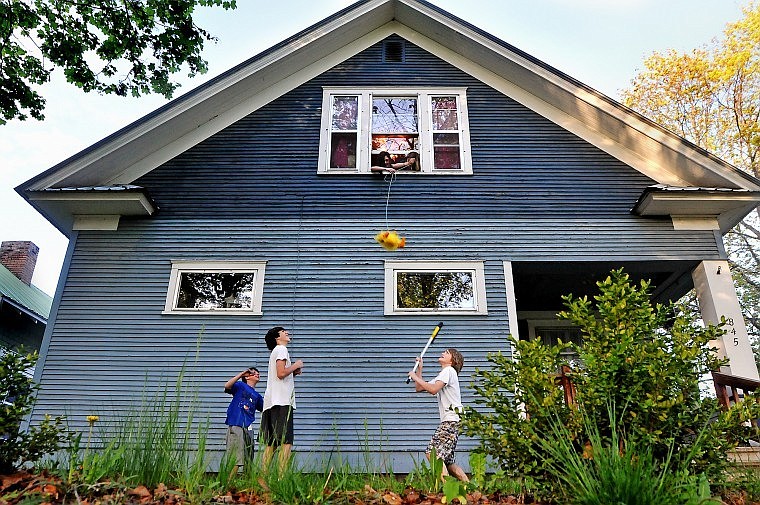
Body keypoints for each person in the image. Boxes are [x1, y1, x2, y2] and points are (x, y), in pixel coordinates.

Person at [407, 348, 469, 482]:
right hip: (454, 420)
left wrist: (414, 376)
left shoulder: (448, 371)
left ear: (453, 360)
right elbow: (419, 388)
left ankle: (448, 491)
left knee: (433, 454)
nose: (442, 353)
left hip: (451, 420)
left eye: (447, 353)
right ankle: (470, 488)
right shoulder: (444, 374)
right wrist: (419, 370)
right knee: (447, 462)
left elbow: (434, 390)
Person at [260, 326, 303, 472]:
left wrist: (293, 372)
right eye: (283, 331)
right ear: (277, 337)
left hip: (271, 402)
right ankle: (281, 476)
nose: (287, 332)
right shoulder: (281, 349)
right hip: (282, 401)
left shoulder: (275, 352)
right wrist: (296, 365)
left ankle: (263, 476)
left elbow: (280, 375)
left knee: (271, 443)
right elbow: (281, 373)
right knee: (286, 441)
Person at [223, 367, 264, 475]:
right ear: (247, 377)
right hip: (236, 423)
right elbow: (227, 386)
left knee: (248, 459)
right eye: (253, 373)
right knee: (236, 457)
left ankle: (247, 484)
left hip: (248, 427)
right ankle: (228, 482)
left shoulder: (257, 396)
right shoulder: (240, 386)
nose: (257, 374)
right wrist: (241, 374)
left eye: (258, 373)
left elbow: (265, 408)